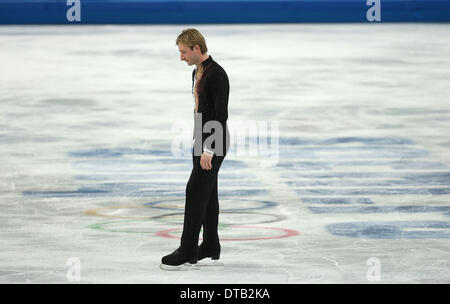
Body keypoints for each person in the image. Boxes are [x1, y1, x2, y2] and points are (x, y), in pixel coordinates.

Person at [161, 28, 230, 270]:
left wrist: (209, 148)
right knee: (207, 194)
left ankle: (188, 248)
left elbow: (220, 115)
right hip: (201, 141)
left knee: (194, 191)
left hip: (215, 142)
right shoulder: (196, 72)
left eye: (183, 52)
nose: (181, 56)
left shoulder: (217, 75)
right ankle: (210, 244)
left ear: (196, 49)